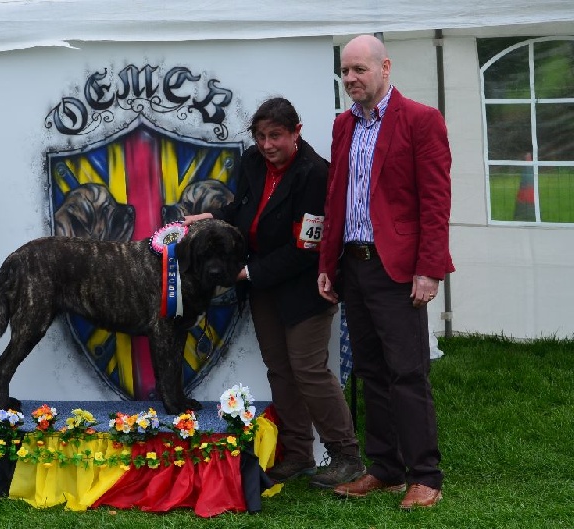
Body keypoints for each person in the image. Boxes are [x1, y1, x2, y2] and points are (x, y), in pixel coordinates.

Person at [185, 97, 364, 488]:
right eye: (261, 136)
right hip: (263, 286)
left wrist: (248, 271)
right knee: (280, 371)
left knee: (309, 370)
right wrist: (211, 218)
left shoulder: (315, 174)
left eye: (276, 136)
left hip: (305, 288)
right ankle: (298, 454)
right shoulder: (251, 161)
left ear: (296, 132)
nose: (267, 145)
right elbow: (242, 212)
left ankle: (347, 455)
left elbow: (307, 247)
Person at [317, 35, 454, 509]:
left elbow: (435, 201)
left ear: (385, 68)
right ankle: (386, 469)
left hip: (398, 269)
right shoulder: (343, 124)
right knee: (371, 371)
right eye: (345, 71)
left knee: (407, 373)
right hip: (353, 266)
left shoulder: (420, 119)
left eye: (359, 69)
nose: (350, 78)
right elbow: (336, 197)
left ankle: (426, 476)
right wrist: (328, 264)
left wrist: (429, 269)